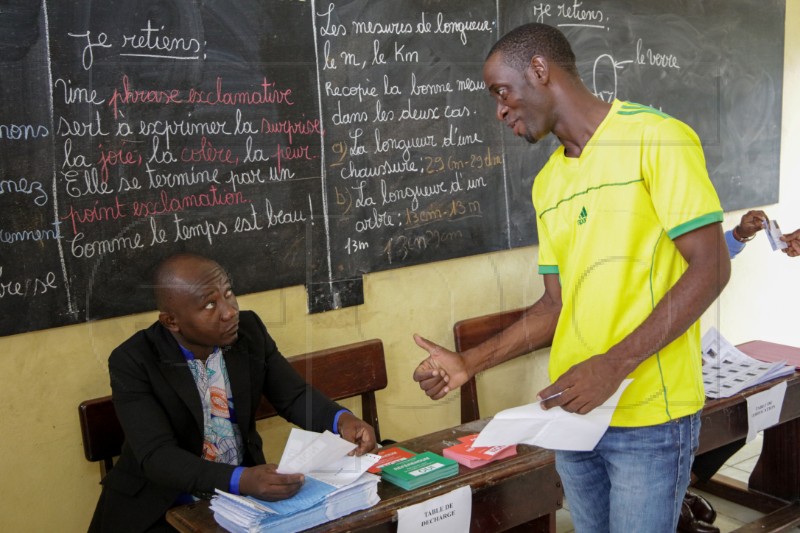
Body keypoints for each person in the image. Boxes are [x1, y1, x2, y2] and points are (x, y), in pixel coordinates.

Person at [412, 23, 731, 533]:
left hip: (649, 414)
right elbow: (552, 307)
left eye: (502, 91)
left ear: (540, 70)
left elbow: (712, 267)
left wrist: (613, 365)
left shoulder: (657, 138)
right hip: (573, 413)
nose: (500, 110)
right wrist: (468, 362)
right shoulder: (548, 183)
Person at [89, 253, 376, 533]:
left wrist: (341, 421)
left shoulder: (248, 332)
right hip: (162, 506)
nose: (229, 311)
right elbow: (157, 455)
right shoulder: (134, 360)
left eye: (228, 293)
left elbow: (294, 395)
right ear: (171, 321)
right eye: (210, 304)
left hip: (240, 503)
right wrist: (240, 480)